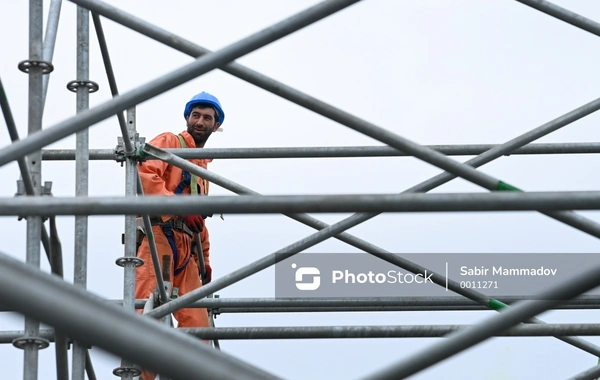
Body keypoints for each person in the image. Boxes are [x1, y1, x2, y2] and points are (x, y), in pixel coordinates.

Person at [134, 91, 224, 380]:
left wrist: (204, 259)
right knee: (147, 316)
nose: (200, 121)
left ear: (216, 125)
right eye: (195, 115)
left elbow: (200, 224)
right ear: (187, 117)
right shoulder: (171, 142)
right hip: (161, 237)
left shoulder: (203, 166)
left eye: (207, 118)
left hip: (188, 250)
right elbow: (146, 173)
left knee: (198, 327)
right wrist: (179, 207)